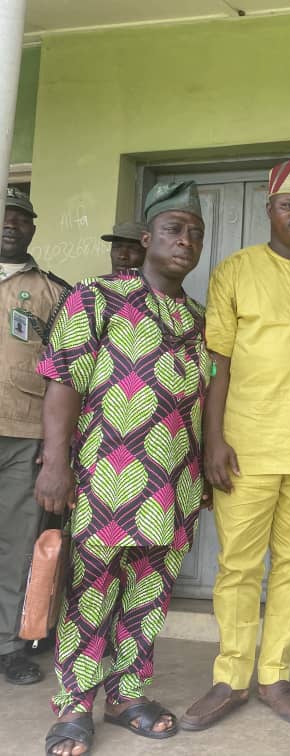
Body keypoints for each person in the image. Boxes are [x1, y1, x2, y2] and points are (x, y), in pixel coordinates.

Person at [34, 181, 210, 756]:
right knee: (89, 593)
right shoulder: (96, 298)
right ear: (147, 237)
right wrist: (54, 462)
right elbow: (63, 382)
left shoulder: (198, 318)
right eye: (174, 230)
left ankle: (128, 694)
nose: (185, 241)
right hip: (104, 478)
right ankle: (74, 704)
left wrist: (202, 470)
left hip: (173, 484)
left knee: (149, 594)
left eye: (195, 233)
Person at [181, 159, 290, 730]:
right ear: (270, 209)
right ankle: (231, 677)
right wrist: (213, 440)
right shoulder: (236, 271)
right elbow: (217, 364)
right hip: (245, 445)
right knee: (239, 566)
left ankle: (275, 674)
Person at [0, 187, 69, 688]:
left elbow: (66, 371)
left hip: (24, 435)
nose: (10, 224)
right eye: (4, 216)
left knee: (18, 545)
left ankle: (9, 645)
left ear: (32, 228)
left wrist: (55, 447)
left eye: (20, 218)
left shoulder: (52, 292)